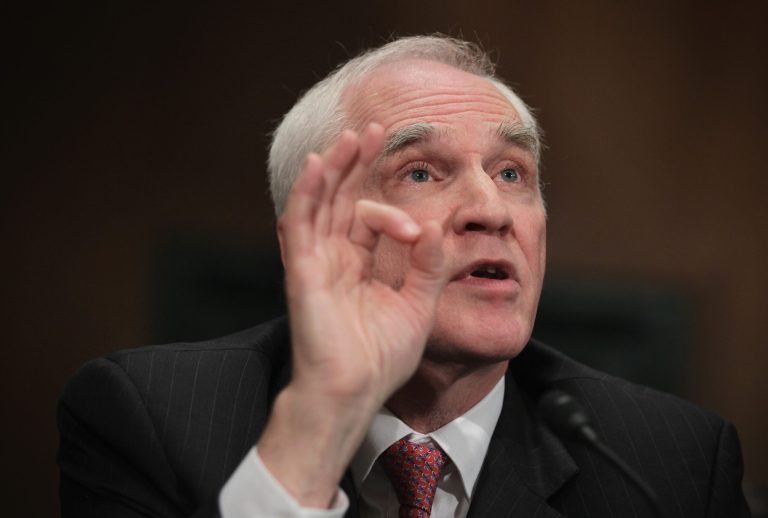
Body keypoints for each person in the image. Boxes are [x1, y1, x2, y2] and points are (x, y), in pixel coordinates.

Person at [58, 35, 750, 517]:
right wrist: (322, 416)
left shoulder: (669, 463)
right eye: (421, 171)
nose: (490, 210)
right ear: (311, 230)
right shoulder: (145, 417)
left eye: (512, 173)